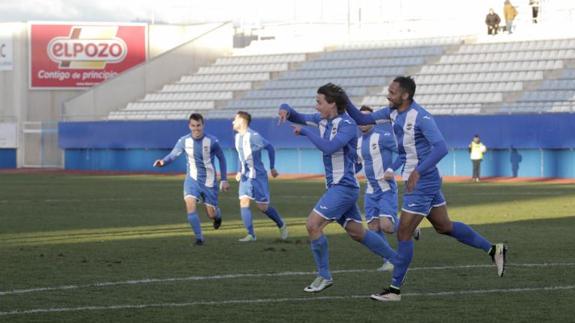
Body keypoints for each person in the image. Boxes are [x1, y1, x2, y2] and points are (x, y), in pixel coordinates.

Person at [345, 76, 507, 302]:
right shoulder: (391, 111)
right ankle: (494, 249)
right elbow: (362, 117)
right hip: (421, 180)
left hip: (422, 181)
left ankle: (394, 290)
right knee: (444, 226)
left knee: (403, 233)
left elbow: (441, 148)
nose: (388, 95)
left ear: (405, 96)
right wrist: (344, 99)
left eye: (392, 92)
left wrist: (418, 171)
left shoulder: (421, 117)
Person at [278, 83, 398, 293]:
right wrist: (285, 107)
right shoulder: (321, 120)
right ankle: (397, 259)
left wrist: (306, 132)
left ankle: (324, 276)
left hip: (344, 187)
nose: (316, 107)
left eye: (319, 102)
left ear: (332, 104)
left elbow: (329, 147)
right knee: (357, 232)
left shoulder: (347, 125)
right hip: (338, 187)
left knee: (312, 225)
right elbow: (295, 115)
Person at [356, 105, 421, 272]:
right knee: (373, 228)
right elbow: (358, 164)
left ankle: (411, 227)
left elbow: (403, 154)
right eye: (359, 118)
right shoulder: (357, 142)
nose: (362, 122)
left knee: (387, 227)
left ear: (373, 120)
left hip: (386, 189)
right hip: (370, 190)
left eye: (366, 118)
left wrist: (391, 169)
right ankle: (389, 259)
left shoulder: (383, 137)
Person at [153, 113, 229, 246]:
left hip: (209, 182)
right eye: (193, 126)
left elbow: (222, 159)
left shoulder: (212, 141)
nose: (196, 129)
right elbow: (173, 155)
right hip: (192, 180)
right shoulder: (184, 141)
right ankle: (199, 238)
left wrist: (223, 179)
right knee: (190, 204)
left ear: (203, 125)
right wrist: (163, 162)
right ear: (189, 126)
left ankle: (217, 215)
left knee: (211, 214)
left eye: (198, 125)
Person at [233, 111, 288, 242]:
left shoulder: (254, 136)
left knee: (263, 207)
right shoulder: (237, 137)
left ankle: (281, 224)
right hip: (246, 177)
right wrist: (239, 171)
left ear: (242, 121)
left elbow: (270, 148)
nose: (233, 122)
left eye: (235, 119)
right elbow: (241, 158)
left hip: (258, 176)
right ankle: (251, 234)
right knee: (244, 201)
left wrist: (272, 167)